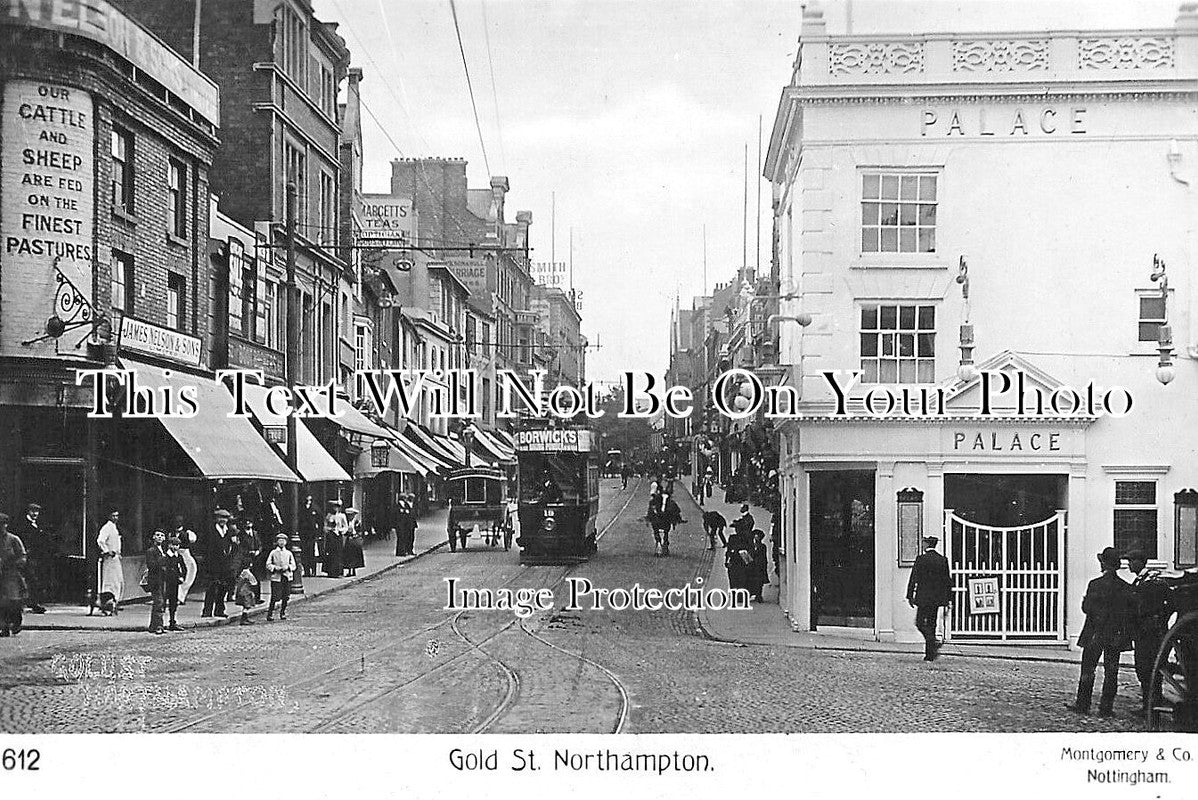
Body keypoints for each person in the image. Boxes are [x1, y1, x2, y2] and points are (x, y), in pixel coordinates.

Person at [1066, 546, 1134, 718]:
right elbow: (1128, 613)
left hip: (1094, 633)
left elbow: (1086, 608)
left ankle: (1083, 704)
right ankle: (1106, 708)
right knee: (1111, 672)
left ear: (1103, 564)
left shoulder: (1095, 584)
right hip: (1114, 635)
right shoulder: (1125, 587)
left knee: (1088, 669)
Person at [1126, 550, 1167, 709]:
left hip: (1151, 633)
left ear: (1139, 562)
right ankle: (1148, 705)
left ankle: (1151, 706)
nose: (1129, 564)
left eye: (1131, 561)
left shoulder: (1151, 581)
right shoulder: (1140, 580)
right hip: (1142, 632)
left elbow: (1168, 603)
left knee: (1150, 668)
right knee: (1143, 669)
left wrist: (1159, 619)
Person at [906, 535, 952, 662]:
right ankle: (930, 654)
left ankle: (932, 643)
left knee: (920, 623)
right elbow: (947, 581)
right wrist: (948, 599)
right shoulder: (942, 560)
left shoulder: (921, 559)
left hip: (923, 597)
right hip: (936, 598)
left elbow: (913, 578)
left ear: (927, 544)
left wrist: (910, 595)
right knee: (932, 624)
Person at [13, 503, 48, 614]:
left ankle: (33, 603)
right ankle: (30, 603)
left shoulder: (38, 524)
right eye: (33, 511)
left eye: (37, 512)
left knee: (34, 579)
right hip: (27, 556)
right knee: (29, 579)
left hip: (36, 557)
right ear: (28, 511)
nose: (35, 514)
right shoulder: (23, 525)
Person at [201, 509, 235, 618]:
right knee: (211, 587)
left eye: (225, 518)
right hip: (213, 563)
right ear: (216, 519)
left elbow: (234, 546)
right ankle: (207, 611)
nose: (222, 520)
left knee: (223, 588)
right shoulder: (210, 530)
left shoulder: (229, 531)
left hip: (225, 564)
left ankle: (219, 610)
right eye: (220, 518)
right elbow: (205, 548)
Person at [0, 514, 28, 637]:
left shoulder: (13, 540)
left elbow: (22, 557)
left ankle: (16, 622)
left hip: (11, 575)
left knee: (12, 602)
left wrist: (11, 565)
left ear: (6, 525)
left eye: (2, 524)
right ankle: (3, 627)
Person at [97, 509, 124, 616]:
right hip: (110, 559)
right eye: (113, 516)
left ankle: (115, 602)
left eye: (117, 516)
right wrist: (107, 551)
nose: (115, 518)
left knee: (118, 581)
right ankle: (107, 604)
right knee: (110, 583)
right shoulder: (107, 527)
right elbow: (100, 540)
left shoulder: (114, 528)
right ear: (109, 516)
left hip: (116, 558)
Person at [266, 533, 296, 622]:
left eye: (283, 541)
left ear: (286, 542)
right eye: (280, 540)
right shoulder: (273, 552)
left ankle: (282, 612)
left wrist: (288, 567)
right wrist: (275, 568)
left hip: (286, 577)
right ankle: (270, 613)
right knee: (274, 596)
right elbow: (268, 564)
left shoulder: (289, 553)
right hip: (276, 577)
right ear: (277, 542)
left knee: (286, 596)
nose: (282, 542)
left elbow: (293, 565)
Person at [144, 529, 168, 634]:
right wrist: (163, 559)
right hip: (155, 580)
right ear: (153, 537)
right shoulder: (151, 551)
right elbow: (152, 565)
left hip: (163, 579)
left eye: (162, 535)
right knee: (159, 602)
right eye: (157, 535)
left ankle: (153, 625)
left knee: (159, 602)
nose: (159, 537)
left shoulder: (164, 550)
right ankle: (159, 625)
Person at [161, 535, 186, 631]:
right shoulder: (165, 556)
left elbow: (184, 568)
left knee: (173, 602)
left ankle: (172, 621)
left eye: (177, 545)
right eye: (173, 545)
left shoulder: (178, 557)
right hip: (166, 582)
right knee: (163, 602)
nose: (175, 547)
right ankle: (160, 622)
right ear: (169, 545)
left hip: (174, 582)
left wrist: (181, 576)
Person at [172, 516, 199, 604]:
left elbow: (192, 540)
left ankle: (181, 597)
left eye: (179, 521)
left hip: (184, 554)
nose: (177, 523)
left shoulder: (188, 533)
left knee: (189, 574)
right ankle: (174, 597)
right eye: (176, 521)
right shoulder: (170, 533)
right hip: (173, 553)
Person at [725, 517, 753, 596]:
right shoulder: (732, 538)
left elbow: (750, 550)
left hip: (742, 562)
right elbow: (728, 550)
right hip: (734, 561)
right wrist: (727, 560)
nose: (737, 530)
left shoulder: (747, 538)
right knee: (733, 578)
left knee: (742, 579)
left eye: (739, 529)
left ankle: (741, 594)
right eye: (737, 529)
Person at [238, 517, 263, 604]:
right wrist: (248, 552)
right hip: (245, 559)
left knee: (256, 578)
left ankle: (257, 597)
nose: (248, 524)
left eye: (250, 523)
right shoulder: (241, 535)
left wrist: (257, 551)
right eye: (246, 523)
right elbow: (239, 547)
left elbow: (260, 545)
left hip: (255, 559)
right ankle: (245, 598)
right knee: (245, 579)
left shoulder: (255, 533)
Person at [299, 494, 322, 577]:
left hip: (312, 534)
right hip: (304, 533)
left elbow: (320, 521)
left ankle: (313, 570)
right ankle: (306, 570)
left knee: (312, 553)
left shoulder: (315, 508)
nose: (308, 500)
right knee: (304, 553)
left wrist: (319, 533)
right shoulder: (302, 508)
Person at [323, 500, 347, 577]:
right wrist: (328, 529)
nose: (335, 509)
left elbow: (345, 526)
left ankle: (338, 571)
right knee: (331, 553)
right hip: (331, 536)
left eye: (337, 507)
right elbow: (325, 526)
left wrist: (341, 531)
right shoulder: (329, 516)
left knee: (338, 553)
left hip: (338, 536)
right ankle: (331, 571)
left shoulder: (342, 516)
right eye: (334, 507)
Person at [234, 559, 258, 626]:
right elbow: (254, 582)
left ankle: (245, 618)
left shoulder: (243, 572)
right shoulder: (248, 573)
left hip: (242, 590)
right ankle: (243, 619)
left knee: (245, 605)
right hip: (246, 591)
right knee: (247, 606)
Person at [749, 530, 769, 602]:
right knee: (753, 580)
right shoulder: (751, 546)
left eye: (758, 537)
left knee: (759, 582)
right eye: (755, 536)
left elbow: (763, 556)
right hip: (753, 566)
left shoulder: (763, 546)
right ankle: (754, 594)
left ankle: (759, 595)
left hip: (760, 566)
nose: (756, 538)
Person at [344, 508, 364, 577]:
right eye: (349, 515)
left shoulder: (357, 522)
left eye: (352, 515)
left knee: (355, 556)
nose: (350, 517)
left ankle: (354, 570)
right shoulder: (346, 522)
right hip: (349, 540)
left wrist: (357, 535)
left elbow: (360, 531)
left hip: (355, 540)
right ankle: (349, 570)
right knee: (349, 556)